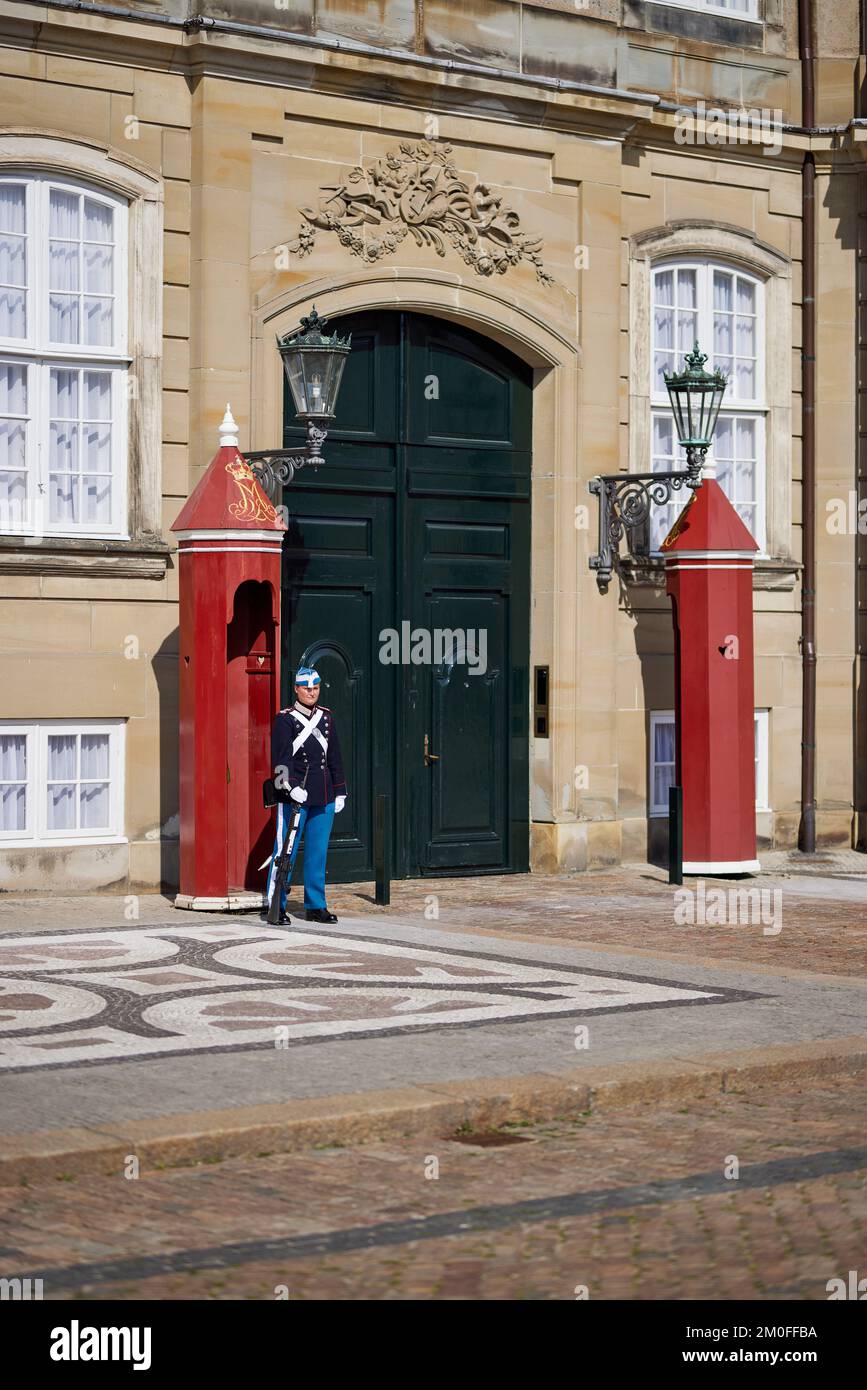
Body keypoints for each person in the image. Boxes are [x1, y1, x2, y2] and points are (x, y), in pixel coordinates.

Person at [265, 666, 347, 925]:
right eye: (307, 688)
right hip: (295, 796)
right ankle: (276, 904)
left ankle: (315, 905)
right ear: (297, 689)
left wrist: (340, 790)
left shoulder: (326, 717)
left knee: (317, 852)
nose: (312, 693)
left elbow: (334, 756)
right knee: (285, 852)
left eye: (316, 688)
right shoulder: (285, 719)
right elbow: (280, 760)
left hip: (322, 794)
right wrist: (289, 786)